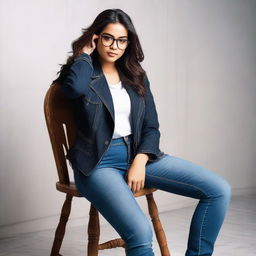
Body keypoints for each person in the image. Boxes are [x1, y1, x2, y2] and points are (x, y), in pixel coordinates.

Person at [53, 8, 231, 256]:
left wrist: (140, 159)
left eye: (122, 40)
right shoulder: (83, 72)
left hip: (139, 155)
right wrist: (83, 54)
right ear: (95, 37)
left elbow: (151, 126)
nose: (115, 46)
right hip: (98, 164)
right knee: (140, 233)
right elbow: (72, 89)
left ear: (129, 42)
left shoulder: (135, 75)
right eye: (107, 38)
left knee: (218, 190)